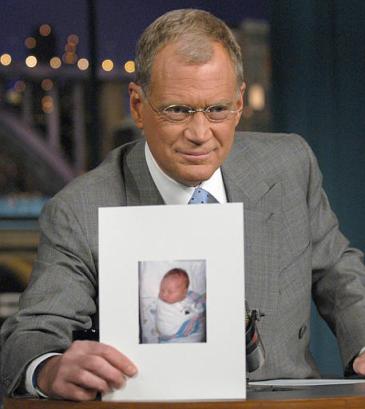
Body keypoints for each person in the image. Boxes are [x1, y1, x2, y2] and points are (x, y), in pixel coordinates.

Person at [1, 8, 365, 402]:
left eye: (218, 110)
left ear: (239, 102)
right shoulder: (81, 209)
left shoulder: (291, 165)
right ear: (138, 106)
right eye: (177, 110)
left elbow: (339, 273)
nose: (200, 133)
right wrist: (49, 368)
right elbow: (29, 337)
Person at [156, 268, 205, 343]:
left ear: (184, 292)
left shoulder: (189, 297)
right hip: (172, 337)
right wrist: (196, 312)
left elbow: (197, 299)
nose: (164, 294)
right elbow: (190, 314)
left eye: (170, 291)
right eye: (162, 290)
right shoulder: (163, 304)